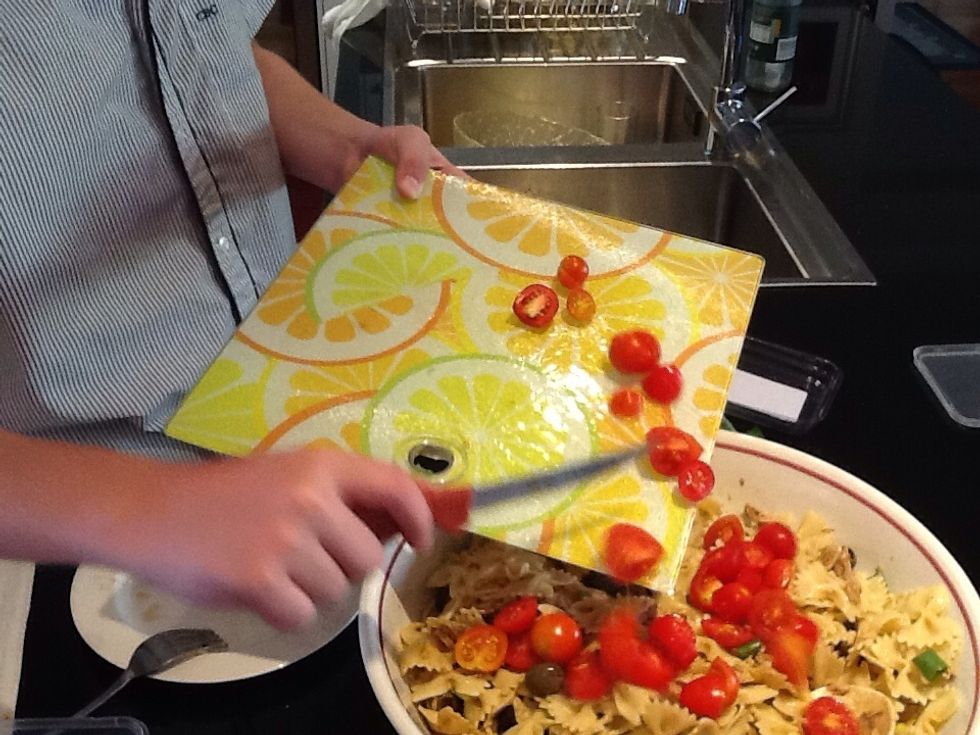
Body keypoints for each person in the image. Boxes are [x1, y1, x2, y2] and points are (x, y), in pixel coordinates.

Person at [0, 2, 461, 630]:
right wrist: (156, 508)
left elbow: (200, 56)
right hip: (77, 547)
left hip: (291, 422)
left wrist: (346, 146)